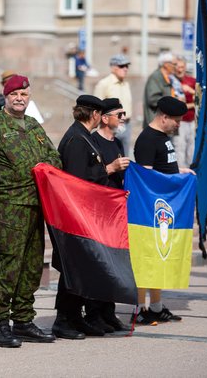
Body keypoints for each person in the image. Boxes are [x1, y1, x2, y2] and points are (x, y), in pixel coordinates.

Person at [0, 75, 59, 348]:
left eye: (24, 94)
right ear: (6, 97)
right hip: (9, 208)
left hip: (35, 206)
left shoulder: (33, 126)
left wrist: (47, 169)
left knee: (31, 267)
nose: (19, 98)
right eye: (14, 94)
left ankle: (23, 320)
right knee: (7, 266)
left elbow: (54, 158)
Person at [133, 96, 194, 325]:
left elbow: (164, 167)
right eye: (176, 121)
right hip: (151, 210)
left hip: (164, 208)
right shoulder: (148, 139)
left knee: (159, 257)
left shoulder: (163, 137)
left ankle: (156, 307)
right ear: (164, 117)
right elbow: (148, 177)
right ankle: (140, 308)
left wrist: (181, 172)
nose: (179, 125)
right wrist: (174, 180)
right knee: (146, 257)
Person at [53, 94, 110, 339]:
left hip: (85, 214)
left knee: (80, 268)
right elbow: (76, 182)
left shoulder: (84, 136)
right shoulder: (77, 139)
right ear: (95, 114)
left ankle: (75, 317)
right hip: (76, 215)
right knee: (72, 268)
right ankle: (63, 320)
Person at [88, 98, 131, 332]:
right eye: (119, 114)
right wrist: (111, 168)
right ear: (104, 118)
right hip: (98, 211)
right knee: (100, 262)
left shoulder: (118, 142)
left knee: (114, 262)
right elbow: (89, 176)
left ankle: (108, 312)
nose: (123, 118)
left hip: (116, 210)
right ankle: (94, 313)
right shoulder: (93, 141)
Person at [93, 54, 133, 157]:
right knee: (110, 156)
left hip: (126, 123)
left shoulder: (126, 84)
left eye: (127, 66)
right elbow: (97, 108)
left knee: (124, 156)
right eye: (121, 66)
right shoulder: (104, 84)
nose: (125, 69)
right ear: (113, 67)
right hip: (110, 125)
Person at [172, 56, 196, 168]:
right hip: (179, 122)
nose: (180, 69)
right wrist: (191, 105)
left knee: (191, 148)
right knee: (179, 148)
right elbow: (176, 104)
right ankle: (180, 172)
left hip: (192, 121)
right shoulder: (171, 82)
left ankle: (191, 171)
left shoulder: (192, 81)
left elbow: (201, 99)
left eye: (182, 67)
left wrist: (190, 91)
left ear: (185, 67)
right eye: (177, 67)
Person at [143, 51, 178, 128]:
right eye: (174, 64)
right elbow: (153, 99)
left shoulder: (169, 77)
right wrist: (174, 102)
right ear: (166, 64)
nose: (176, 67)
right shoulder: (155, 77)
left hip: (166, 123)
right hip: (156, 125)